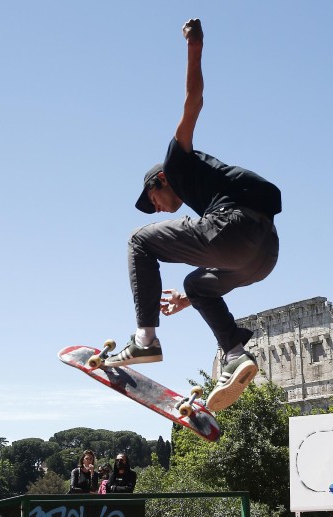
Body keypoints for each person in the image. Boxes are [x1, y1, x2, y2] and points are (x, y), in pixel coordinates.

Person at [105, 18, 281, 412]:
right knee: (197, 286)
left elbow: (193, 99)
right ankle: (235, 353)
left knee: (138, 239)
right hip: (265, 253)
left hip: (233, 228)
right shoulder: (201, 186)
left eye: (154, 201)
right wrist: (188, 299)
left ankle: (145, 341)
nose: (160, 209)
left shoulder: (176, 160)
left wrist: (194, 46)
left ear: (160, 181)